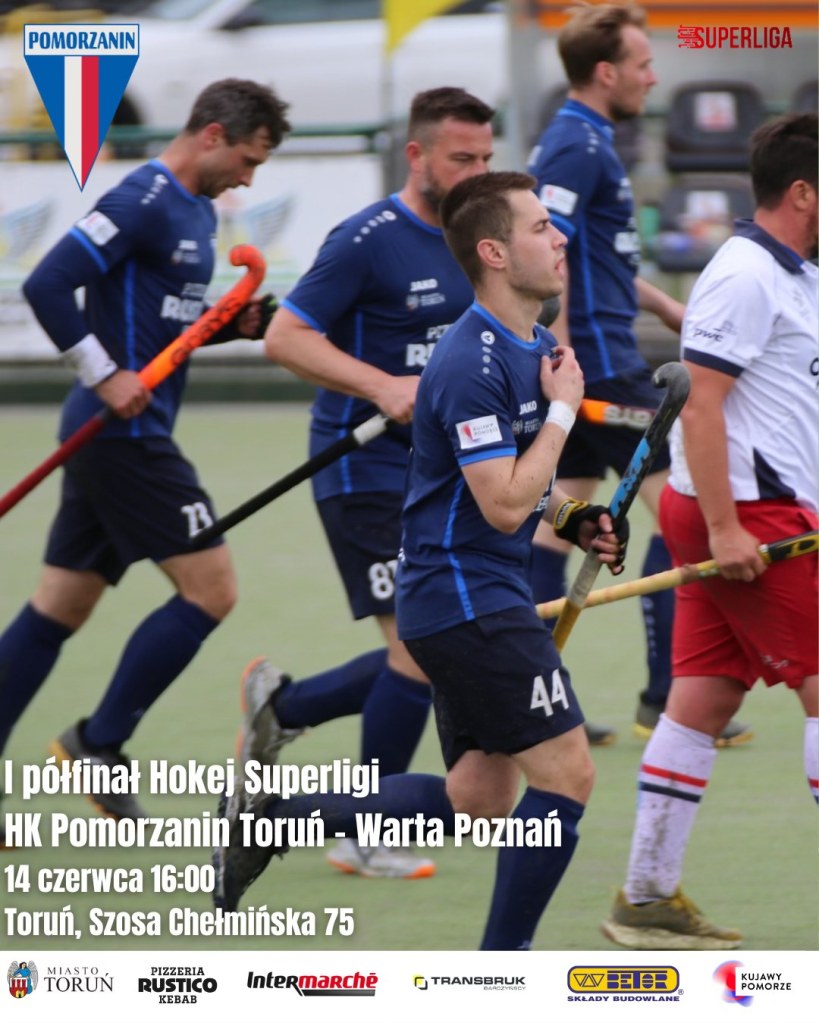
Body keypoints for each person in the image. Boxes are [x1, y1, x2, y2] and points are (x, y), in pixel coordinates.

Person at [213, 170, 629, 951]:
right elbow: (501, 502)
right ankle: (499, 971)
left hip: (468, 598)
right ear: (493, 252)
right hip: (469, 602)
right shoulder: (471, 363)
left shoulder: (534, 347)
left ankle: (274, 818)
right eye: (540, 227)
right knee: (567, 774)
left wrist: (574, 518)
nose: (560, 238)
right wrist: (564, 413)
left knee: (478, 795)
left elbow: (518, 487)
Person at [0, 79, 291, 845]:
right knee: (212, 589)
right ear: (211, 134)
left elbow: (165, 325)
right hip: (119, 433)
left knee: (59, 607)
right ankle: (98, 742)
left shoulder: (198, 210)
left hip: (127, 430)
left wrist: (228, 325)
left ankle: (91, 742)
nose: (247, 180)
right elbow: (48, 282)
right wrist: (103, 372)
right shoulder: (142, 198)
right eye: (246, 160)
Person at [242, 87, 495, 880]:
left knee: (441, 643)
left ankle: (284, 707)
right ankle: (364, 826)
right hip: (362, 468)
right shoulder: (365, 239)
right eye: (460, 158)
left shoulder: (477, 239)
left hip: (440, 471)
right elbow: (286, 337)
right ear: (416, 155)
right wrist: (381, 385)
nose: (475, 172)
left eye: (485, 157)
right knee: (416, 647)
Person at [602, 112, 818, 950]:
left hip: (750, 509)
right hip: (746, 516)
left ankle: (645, 896)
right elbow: (700, 404)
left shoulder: (796, 274)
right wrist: (727, 529)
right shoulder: (744, 274)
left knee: (702, 697)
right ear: (801, 192)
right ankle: (646, 893)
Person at [526, 2, 751, 746]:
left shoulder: (592, 139)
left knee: (554, 532)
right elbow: (548, 256)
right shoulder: (575, 145)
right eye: (643, 64)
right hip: (599, 371)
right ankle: (665, 699)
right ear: (605, 72)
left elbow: (599, 260)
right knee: (686, 521)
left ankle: (532, 697)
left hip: (597, 362)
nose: (653, 78)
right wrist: (559, 360)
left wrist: (665, 305)